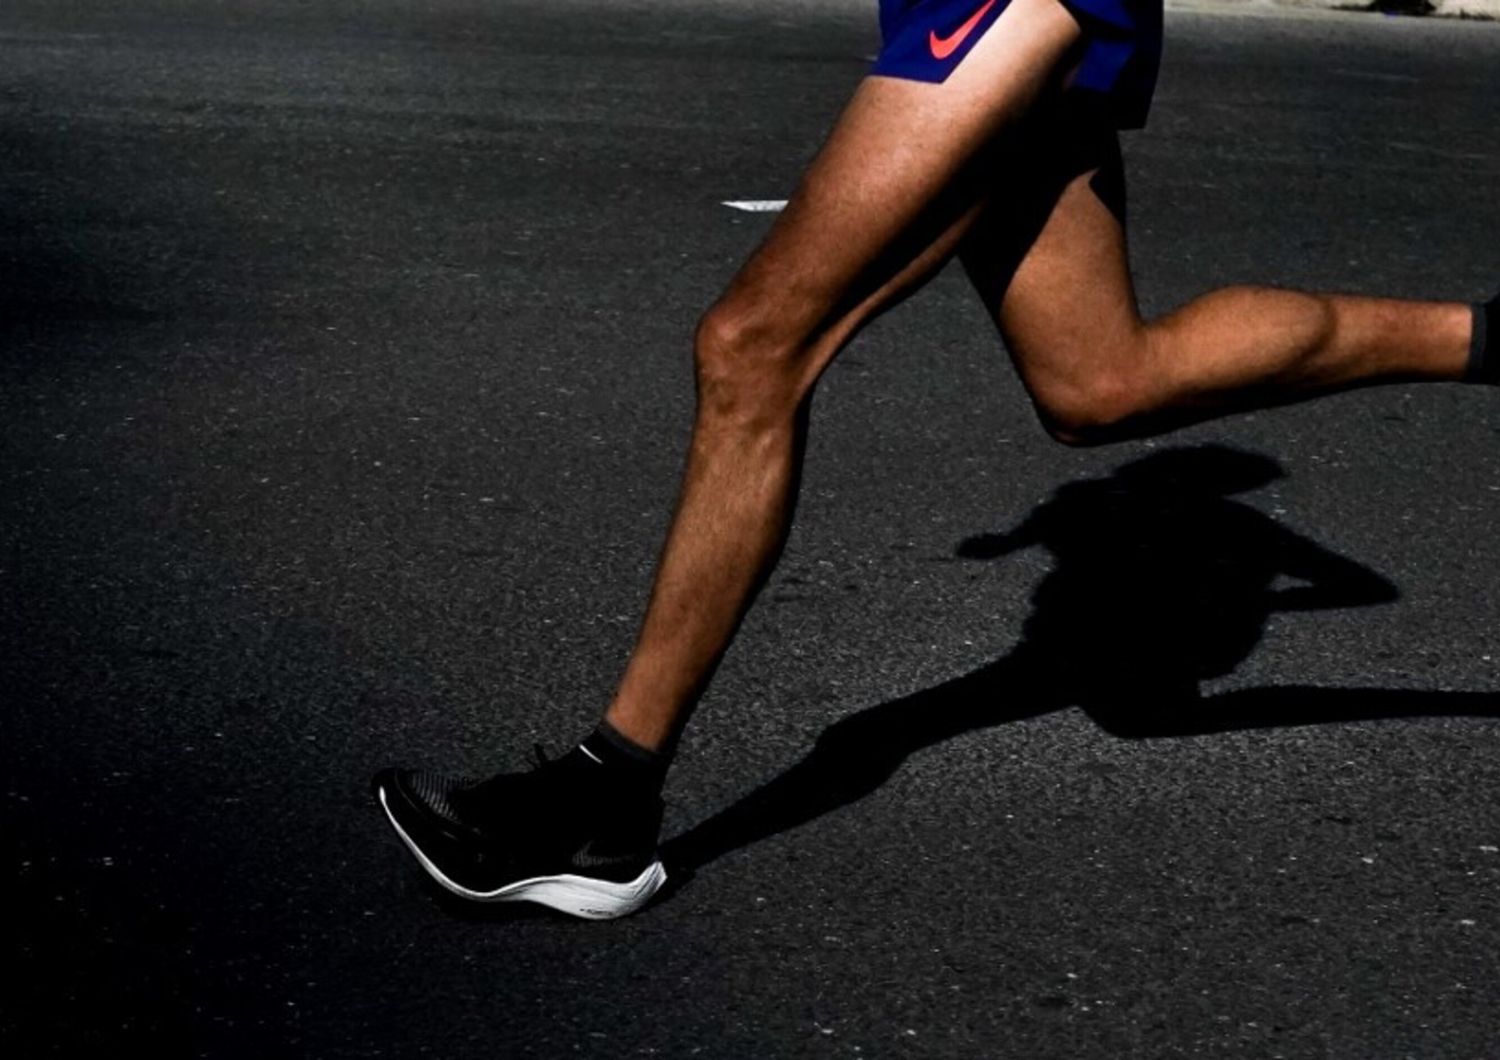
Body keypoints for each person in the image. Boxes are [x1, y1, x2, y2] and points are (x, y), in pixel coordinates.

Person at [372, 0, 1497, 919]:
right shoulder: (1136, 520)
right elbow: (1340, 577)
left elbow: (1343, 578)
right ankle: (1488, 337)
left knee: (753, 345)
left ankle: (605, 798)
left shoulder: (1232, 525)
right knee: (1100, 381)